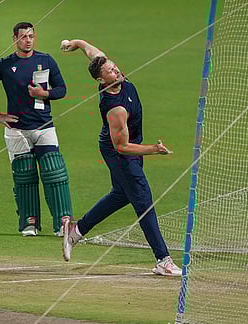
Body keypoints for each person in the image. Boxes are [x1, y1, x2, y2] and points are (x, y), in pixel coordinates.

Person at [60, 39, 181, 276]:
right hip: (120, 152)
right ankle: (162, 259)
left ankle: (76, 230)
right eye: (111, 72)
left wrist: (76, 43)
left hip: (127, 147)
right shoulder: (115, 108)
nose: (117, 71)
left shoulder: (113, 74)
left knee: (122, 195)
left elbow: (93, 52)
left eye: (115, 68)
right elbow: (123, 146)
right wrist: (154, 150)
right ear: (101, 80)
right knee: (143, 200)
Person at [0, 22, 73, 237]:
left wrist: (45, 94)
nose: (28, 40)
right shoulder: (5, 65)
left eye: (31, 36)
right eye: (23, 37)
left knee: (54, 171)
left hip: (44, 126)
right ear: (14, 39)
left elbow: (62, 89)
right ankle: (29, 222)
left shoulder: (45, 60)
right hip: (16, 129)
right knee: (24, 176)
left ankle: (62, 222)